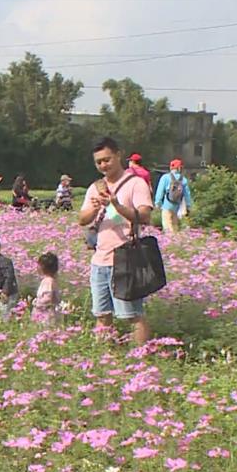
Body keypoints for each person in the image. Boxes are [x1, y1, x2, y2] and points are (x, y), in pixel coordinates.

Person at [78, 136, 154, 345]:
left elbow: (145, 216)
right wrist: (95, 208)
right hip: (99, 260)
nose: (103, 165)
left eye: (107, 159)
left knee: (132, 315)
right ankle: (106, 360)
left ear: (118, 155)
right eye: (98, 162)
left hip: (125, 260)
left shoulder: (135, 184)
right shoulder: (95, 187)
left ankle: (141, 359)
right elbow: (82, 219)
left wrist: (116, 205)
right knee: (102, 315)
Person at [153, 158, 192, 233]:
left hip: (166, 205)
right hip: (177, 206)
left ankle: (169, 241)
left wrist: (158, 203)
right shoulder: (183, 180)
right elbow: (187, 195)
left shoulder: (165, 177)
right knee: (175, 226)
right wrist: (188, 206)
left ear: (171, 167)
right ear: (180, 168)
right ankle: (175, 241)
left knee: (167, 226)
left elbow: (160, 191)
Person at [33, 252, 61, 326]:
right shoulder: (49, 280)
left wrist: (37, 303)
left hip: (46, 315)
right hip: (44, 313)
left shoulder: (48, 281)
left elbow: (48, 298)